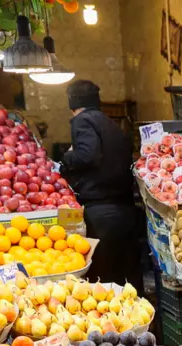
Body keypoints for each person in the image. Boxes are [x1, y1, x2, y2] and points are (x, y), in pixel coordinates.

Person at [60, 79, 145, 287]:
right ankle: (142, 318)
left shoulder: (82, 121)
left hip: (102, 213)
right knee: (129, 278)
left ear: (72, 104)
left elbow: (88, 155)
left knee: (104, 281)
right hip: (125, 211)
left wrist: (66, 158)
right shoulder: (111, 124)